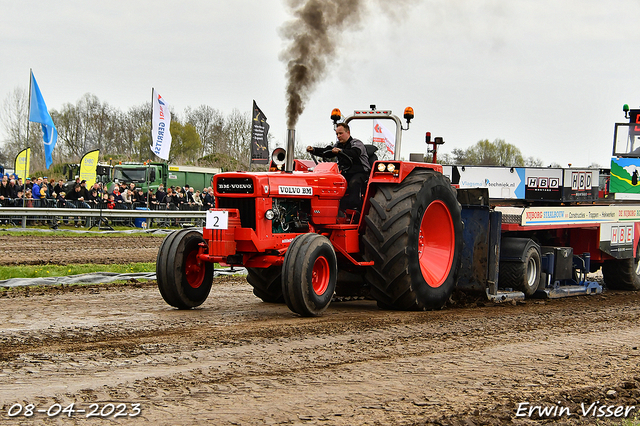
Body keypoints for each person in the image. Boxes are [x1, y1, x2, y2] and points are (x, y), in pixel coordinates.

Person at [307, 122, 371, 212]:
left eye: (341, 133)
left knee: (354, 182)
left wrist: (341, 151)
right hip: (345, 172)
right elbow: (327, 151)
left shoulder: (356, 143)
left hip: (361, 172)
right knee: (332, 182)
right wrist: (314, 150)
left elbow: (354, 153)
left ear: (348, 132)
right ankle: (332, 208)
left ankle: (356, 208)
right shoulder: (338, 145)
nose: (338, 136)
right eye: (337, 134)